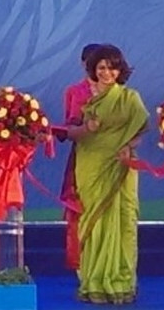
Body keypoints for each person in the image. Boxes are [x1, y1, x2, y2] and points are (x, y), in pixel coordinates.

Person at [67, 44, 148, 305]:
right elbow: (72, 133)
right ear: (93, 69)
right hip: (91, 164)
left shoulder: (130, 98)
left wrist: (126, 147)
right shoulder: (86, 102)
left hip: (122, 164)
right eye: (101, 67)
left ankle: (123, 281)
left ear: (119, 70)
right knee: (94, 220)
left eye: (111, 67)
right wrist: (87, 127)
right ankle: (94, 282)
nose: (106, 72)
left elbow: (140, 132)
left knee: (124, 220)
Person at [59, 43, 101, 270]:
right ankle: (81, 263)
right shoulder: (74, 92)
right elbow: (69, 126)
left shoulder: (120, 94)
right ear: (84, 64)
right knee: (79, 206)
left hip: (113, 160)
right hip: (83, 157)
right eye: (91, 63)